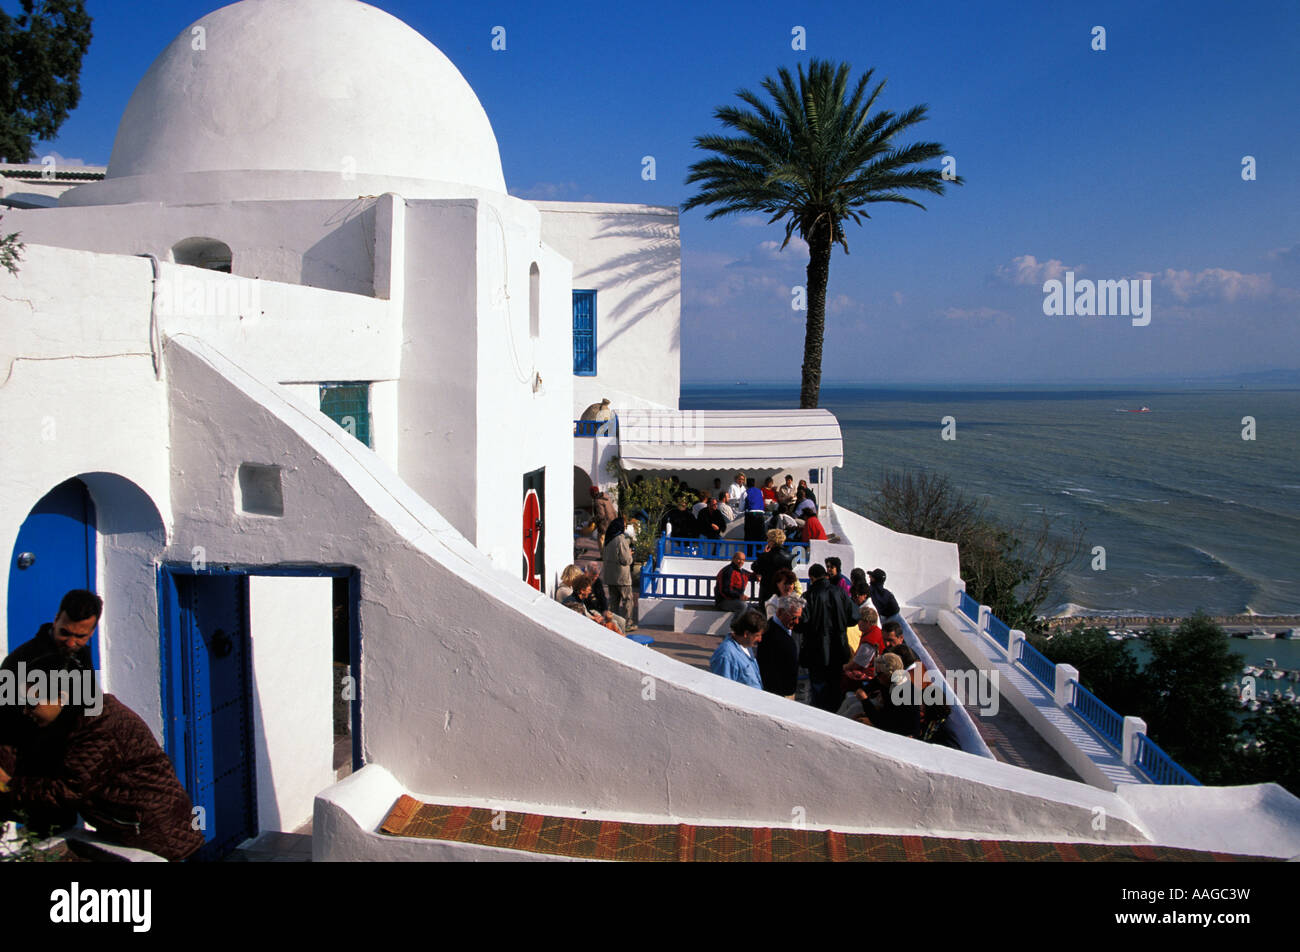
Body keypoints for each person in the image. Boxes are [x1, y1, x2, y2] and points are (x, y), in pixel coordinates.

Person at [0, 654, 205, 860]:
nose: (26, 711)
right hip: (127, 827)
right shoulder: (72, 718)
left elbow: (68, 790)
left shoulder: (102, 726)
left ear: (62, 697)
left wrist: (9, 786)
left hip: (156, 835)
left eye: (31, 705)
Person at [796, 563, 855, 711]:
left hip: (816, 650)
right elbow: (854, 616)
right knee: (835, 687)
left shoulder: (809, 596)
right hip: (838, 648)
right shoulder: (840, 593)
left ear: (811, 578)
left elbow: (802, 623)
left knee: (818, 691)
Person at [756, 595, 804, 699]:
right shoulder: (772, 635)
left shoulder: (773, 627)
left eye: (799, 618)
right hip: (777, 694)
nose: (796, 622)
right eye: (794, 617)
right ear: (780, 612)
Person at [709, 609, 765, 689]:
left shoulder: (746, 645)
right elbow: (723, 690)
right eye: (757, 636)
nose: (760, 640)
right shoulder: (726, 656)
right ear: (746, 634)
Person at [601, 519, 634, 628]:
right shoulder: (620, 539)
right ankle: (627, 623)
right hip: (622, 577)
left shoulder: (608, 539)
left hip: (610, 576)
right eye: (624, 526)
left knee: (613, 601)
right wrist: (630, 555)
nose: (624, 528)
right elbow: (626, 560)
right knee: (627, 601)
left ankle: (613, 622)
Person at [753, 529, 794, 603]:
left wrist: (763, 554)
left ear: (771, 541)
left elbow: (755, 567)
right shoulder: (790, 556)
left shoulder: (766, 556)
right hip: (782, 590)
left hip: (767, 590)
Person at [743, 478, 767, 543]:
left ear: (747, 484)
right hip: (760, 515)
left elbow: (741, 507)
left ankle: (749, 552)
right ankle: (759, 551)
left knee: (749, 535)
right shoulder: (760, 491)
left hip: (750, 514)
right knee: (760, 535)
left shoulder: (745, 492)